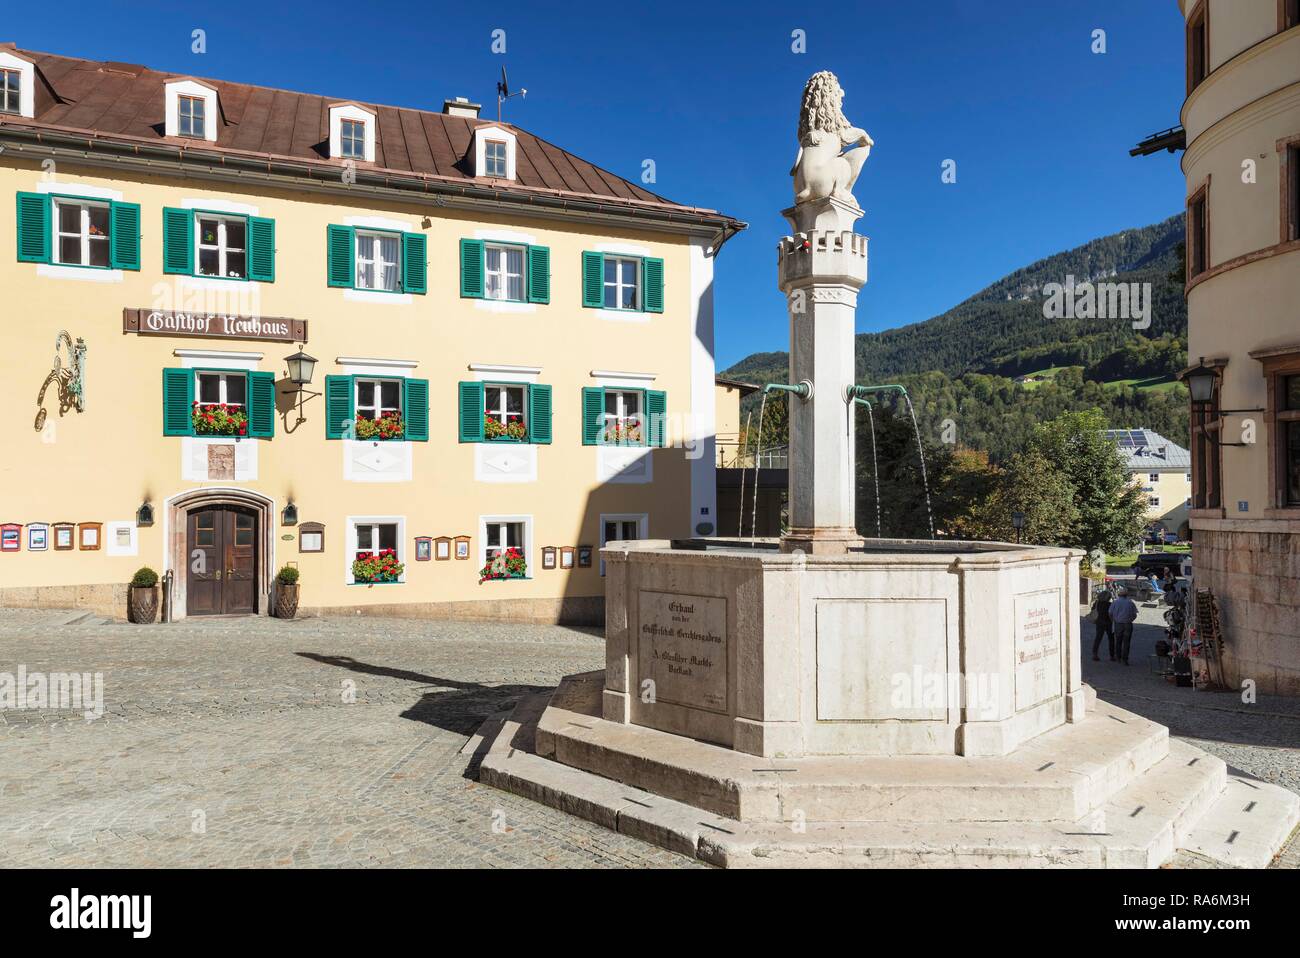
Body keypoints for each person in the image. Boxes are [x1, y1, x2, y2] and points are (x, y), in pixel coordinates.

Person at [1110, 586, 1139, 665]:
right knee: (1126, 642)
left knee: (1118, 641)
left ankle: (1118, 657)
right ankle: (1125, 659)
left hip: (1118, 623)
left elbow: (1110, 613)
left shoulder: (1115, 602)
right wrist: (1131, 620)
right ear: (1126, 595)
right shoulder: (1130, 602)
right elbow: (1135, 614)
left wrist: (1114, 620)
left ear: (1119, 595)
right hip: (1128, 624)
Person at [1090, 585, 1115, 662]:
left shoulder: (1097, 603)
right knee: (1111, 639)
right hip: (1108, 623)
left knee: (1098, 638)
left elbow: (1093, 609)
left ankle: (1095, 654)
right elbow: (1112, 613)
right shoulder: (1109, 605)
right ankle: (1112, 655)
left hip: (1099, 622)